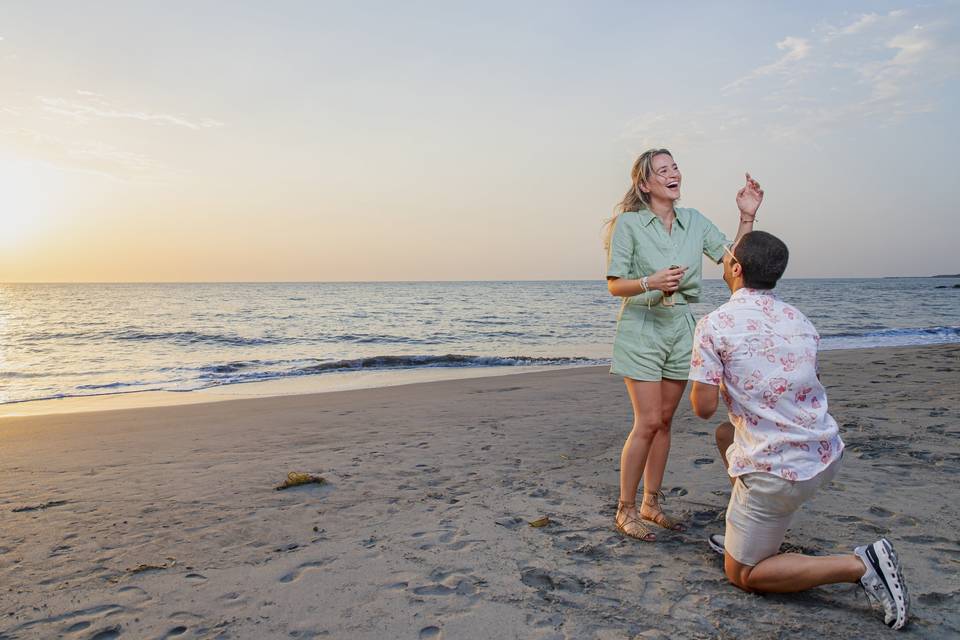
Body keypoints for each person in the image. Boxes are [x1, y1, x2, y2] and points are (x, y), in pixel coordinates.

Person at [688, 230, 909, 630]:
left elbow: (701, 408)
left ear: (735, 269)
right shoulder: (799, 318)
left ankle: (862, 565)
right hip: (824, 454)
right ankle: (748, 530)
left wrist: (718, 379)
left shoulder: (713, 324)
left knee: (744, 575)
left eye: (727, 257)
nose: (722, 260)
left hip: (778, 474)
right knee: (727, 435)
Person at [605, 148, 762, 541]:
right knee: (647, 421)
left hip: (681, 326)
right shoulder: (629, 225)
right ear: (645, 184)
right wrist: (650, 282)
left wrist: (747, 216)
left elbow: (731, 261)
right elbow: (614, 284)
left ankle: (651, 504)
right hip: (642, 324)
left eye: (674, 167)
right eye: (663, 170)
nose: (673, 173)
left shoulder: (694, 221)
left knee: (666, 421)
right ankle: (625, 509)